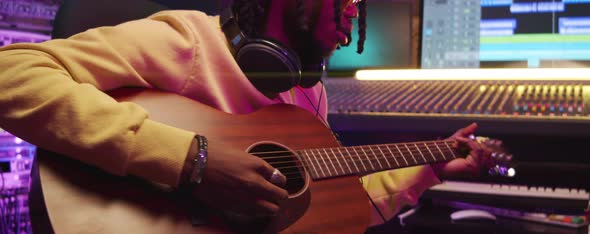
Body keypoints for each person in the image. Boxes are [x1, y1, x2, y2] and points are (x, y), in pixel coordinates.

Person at [0, 0, 492, 229]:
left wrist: (429, 168)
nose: (354, 11)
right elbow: (11, 73)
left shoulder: (308, 96)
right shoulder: (187, 43)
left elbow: (337, 210)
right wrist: (190, 159)